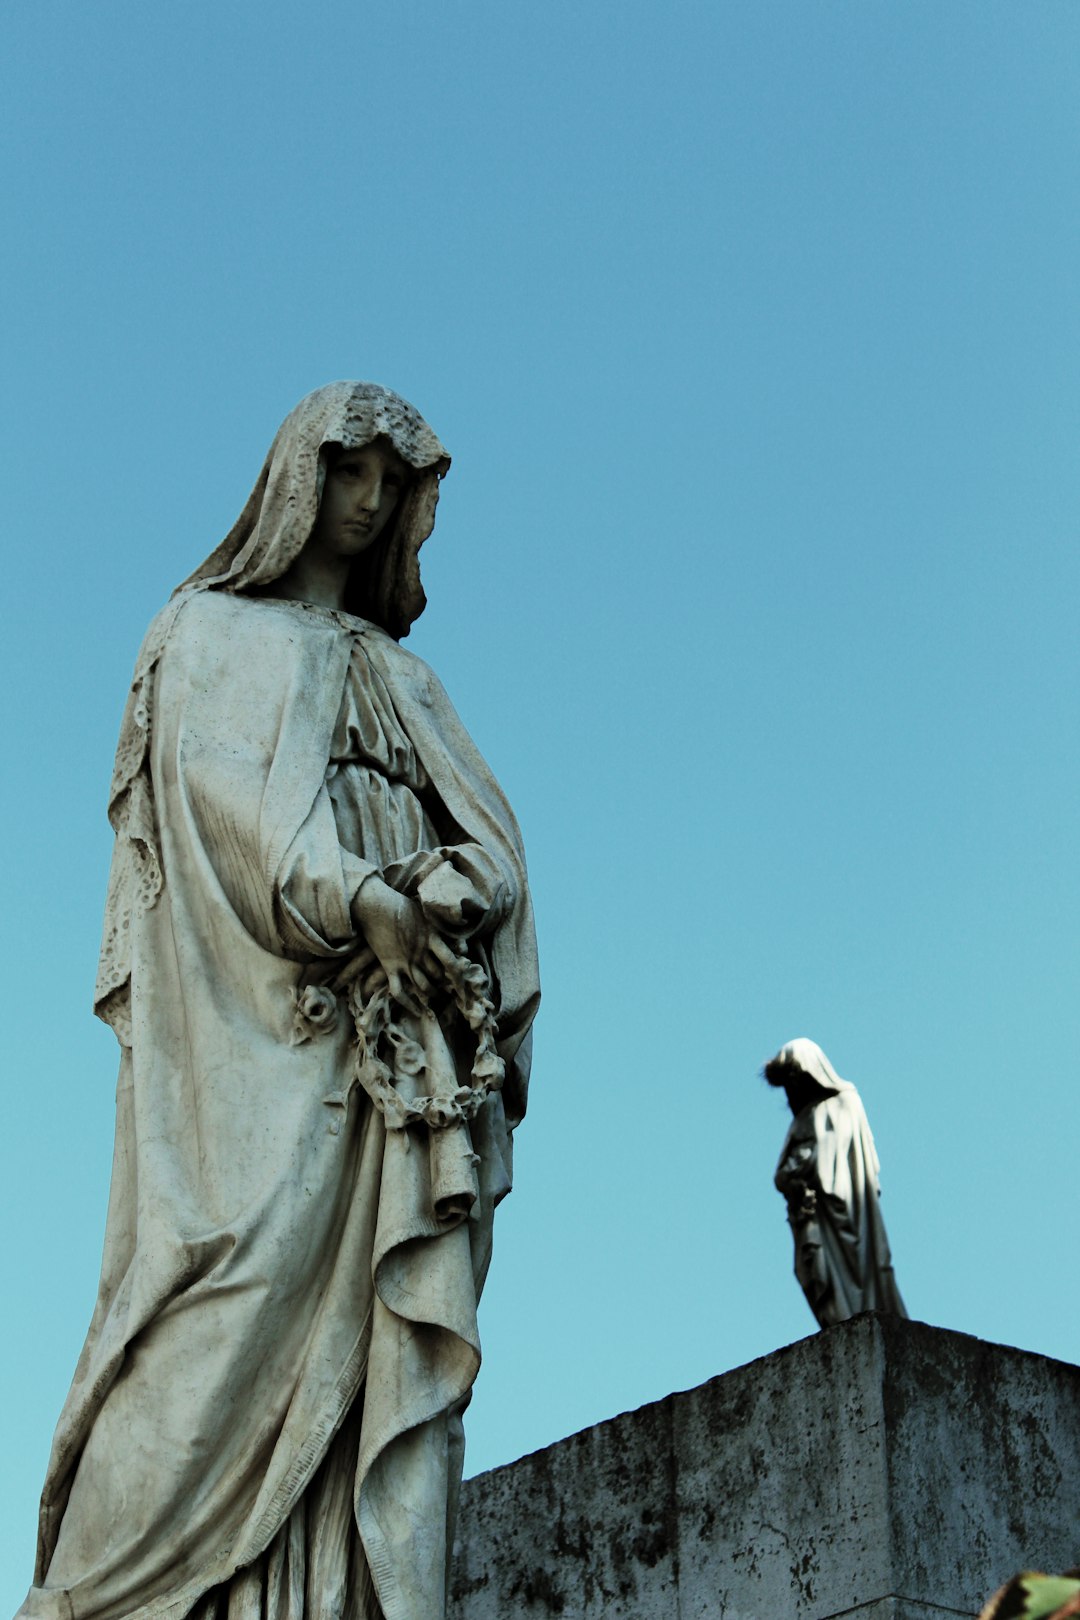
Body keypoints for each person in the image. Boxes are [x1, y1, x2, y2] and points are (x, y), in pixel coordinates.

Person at [18, 382, 540, 1620]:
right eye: (351, 473)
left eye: (392, 488)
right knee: (219, 1302)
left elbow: (496, 839)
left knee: (366, 1344)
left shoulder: (403, 677)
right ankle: (103, 1595)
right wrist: (348, 895)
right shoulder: (204, 634)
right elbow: (223, 819)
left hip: (393, 1051)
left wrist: (454, 893)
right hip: (264, 1035)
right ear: (297, 479)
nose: (366, 505)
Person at [765, 1038, 906, 1329]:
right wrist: (790, 1180)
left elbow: (829, 1160)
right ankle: (840, 1324)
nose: (791, 1090)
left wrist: (799, 1171)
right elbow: (782, 1172)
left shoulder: (844, 1102)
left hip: (844, 1212)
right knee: (812, 1272)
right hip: (811, 1215)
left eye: (794, 1079)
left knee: (857, 1271)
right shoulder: (800, 1121)